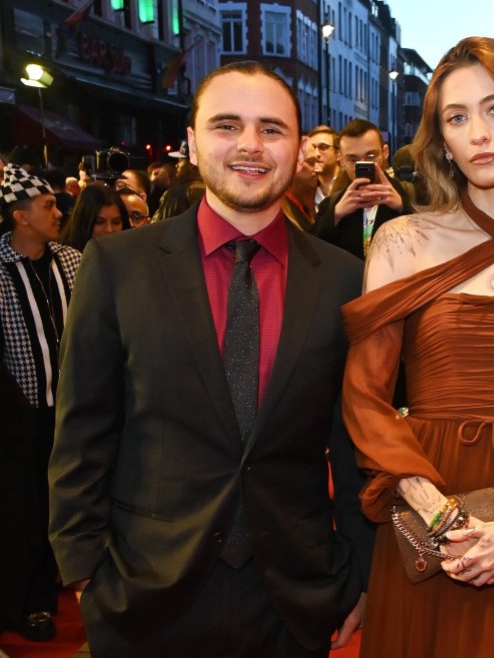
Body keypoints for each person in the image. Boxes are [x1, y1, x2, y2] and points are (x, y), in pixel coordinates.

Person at [49, 61, 372, 657]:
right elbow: (83, 429)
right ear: (194, 144)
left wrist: (358, 577)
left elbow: (353, 447)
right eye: (228, 125)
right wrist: (83, 567)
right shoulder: (118, 265)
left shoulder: (345, 280)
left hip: (292, 598)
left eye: (271, 129)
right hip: (143, 591)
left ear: (299, 149)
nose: (250, 144)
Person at [340, 36, 494, 657]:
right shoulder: (402, 242)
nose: (479, 132)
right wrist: (437, 511)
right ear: (440, 138)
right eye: (457, 116)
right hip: (427, 509)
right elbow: (365, 399)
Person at [0, 165, 81, 642]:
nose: (58, 211)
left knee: (62, 505)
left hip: (73, 410)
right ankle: (27, 602)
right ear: (20, 216)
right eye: (47, 205)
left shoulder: (71, 260)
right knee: (22, 510)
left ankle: (56, 586)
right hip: (19, 415)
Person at [310, 119, 409, 260]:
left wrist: (403, 207)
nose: (363, 164)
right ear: (341, 160)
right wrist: (336, 215)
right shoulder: (331, 205)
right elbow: (311, 251)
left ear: (385, 152)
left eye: (370, 156)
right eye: (353, 159)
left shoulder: (408, 196)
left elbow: (428, 244)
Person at [59, 183, 130, 251]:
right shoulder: (66, 257)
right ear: (83, 221)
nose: (110, 229)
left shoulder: (131, 252)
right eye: (99, 222)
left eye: (116, 222)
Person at [306, 125, 341, 211]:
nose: (316, 154)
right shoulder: (307, 190)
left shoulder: (349, 185)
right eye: (313, 148)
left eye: (323, 147)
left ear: (338, 154)